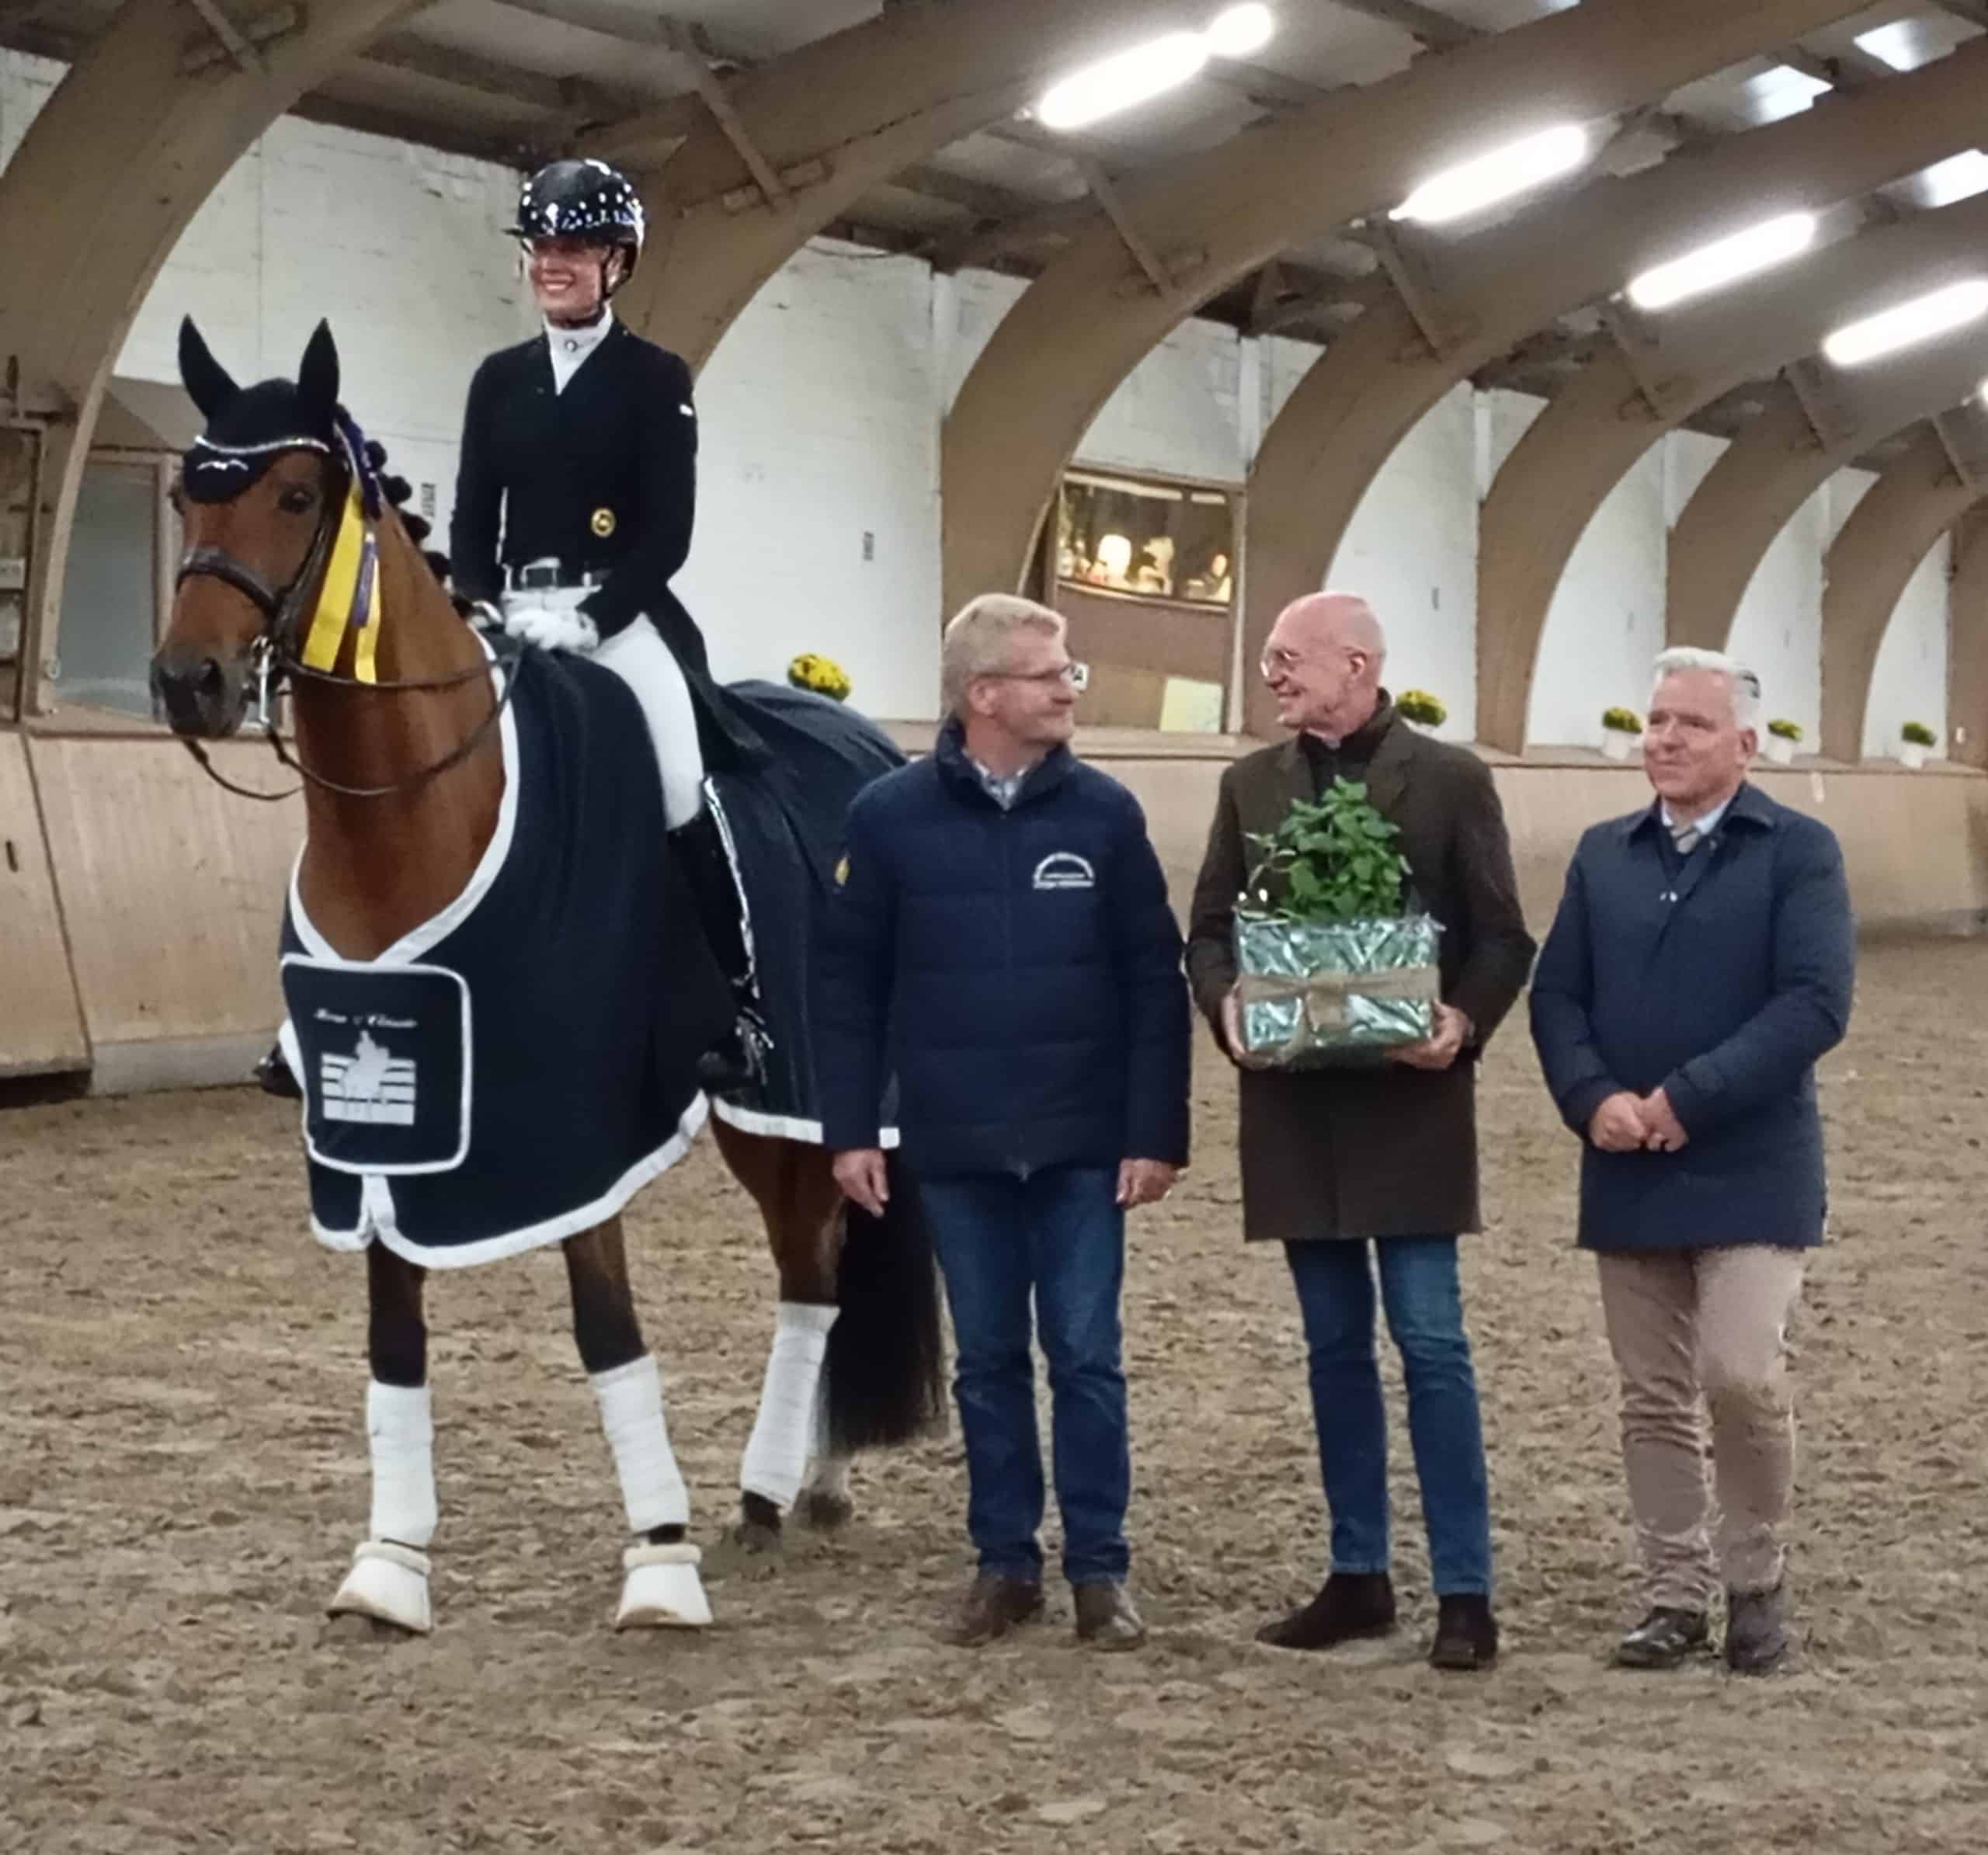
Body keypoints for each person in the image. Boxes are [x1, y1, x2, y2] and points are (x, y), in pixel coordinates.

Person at [816, 594, 1190, 1651]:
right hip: (957, 1145)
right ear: (985, 695)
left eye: (1067, 672)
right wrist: (852, 1129)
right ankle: (1004, 1560)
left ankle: (1100, 1570)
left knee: (1085, 1353)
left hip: (1082, 1146)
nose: (1072, 687)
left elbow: (1150, 983)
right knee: (986, 1359)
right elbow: (849, 985)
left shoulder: (1106, 817)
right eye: (1051, 673)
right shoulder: (888, 819)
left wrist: (1155, 1131)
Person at [1185, 592, 1534, 1672]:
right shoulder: (1250, 785)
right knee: (1333, 1348)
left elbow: (1501, 937)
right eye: (1269, 663)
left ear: (1358, 662)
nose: (1274, 678)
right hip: (1297, 1108)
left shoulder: (1451, 779)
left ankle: (1464, 1592)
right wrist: (1227, 1002)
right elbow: (1206, 930)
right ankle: (1358, 1574)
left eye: (1289, 660)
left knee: (1431, 1345)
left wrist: (1461, 1021)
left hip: (1411, 1105)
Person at [1529, 648, 1853, 1675]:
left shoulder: (1798, 852)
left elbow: (1814, 1002)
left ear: (1747, 745)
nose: (1665, 739)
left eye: (1692, 724)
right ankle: (1673, 1592)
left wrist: (1687, 1098)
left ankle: (1755, 1575)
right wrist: (1595, 1100)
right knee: (1651, 1393)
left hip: (1753, 1161)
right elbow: (1557, 997)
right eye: (1657, 721)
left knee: (1741, 1371)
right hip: (1626, 1159)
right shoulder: (1603, 854)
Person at [447, 157, 763, 1089]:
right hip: (509, 609)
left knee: (677, 783)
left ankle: (743, 1000)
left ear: (615, 262)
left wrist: (593, 619)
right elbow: (472, 513)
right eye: (543, 246)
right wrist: (475, 598)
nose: (555, 263)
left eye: (575, 248)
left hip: (613, 621)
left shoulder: (653, 377)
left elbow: (668, 534)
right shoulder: (496, 378)